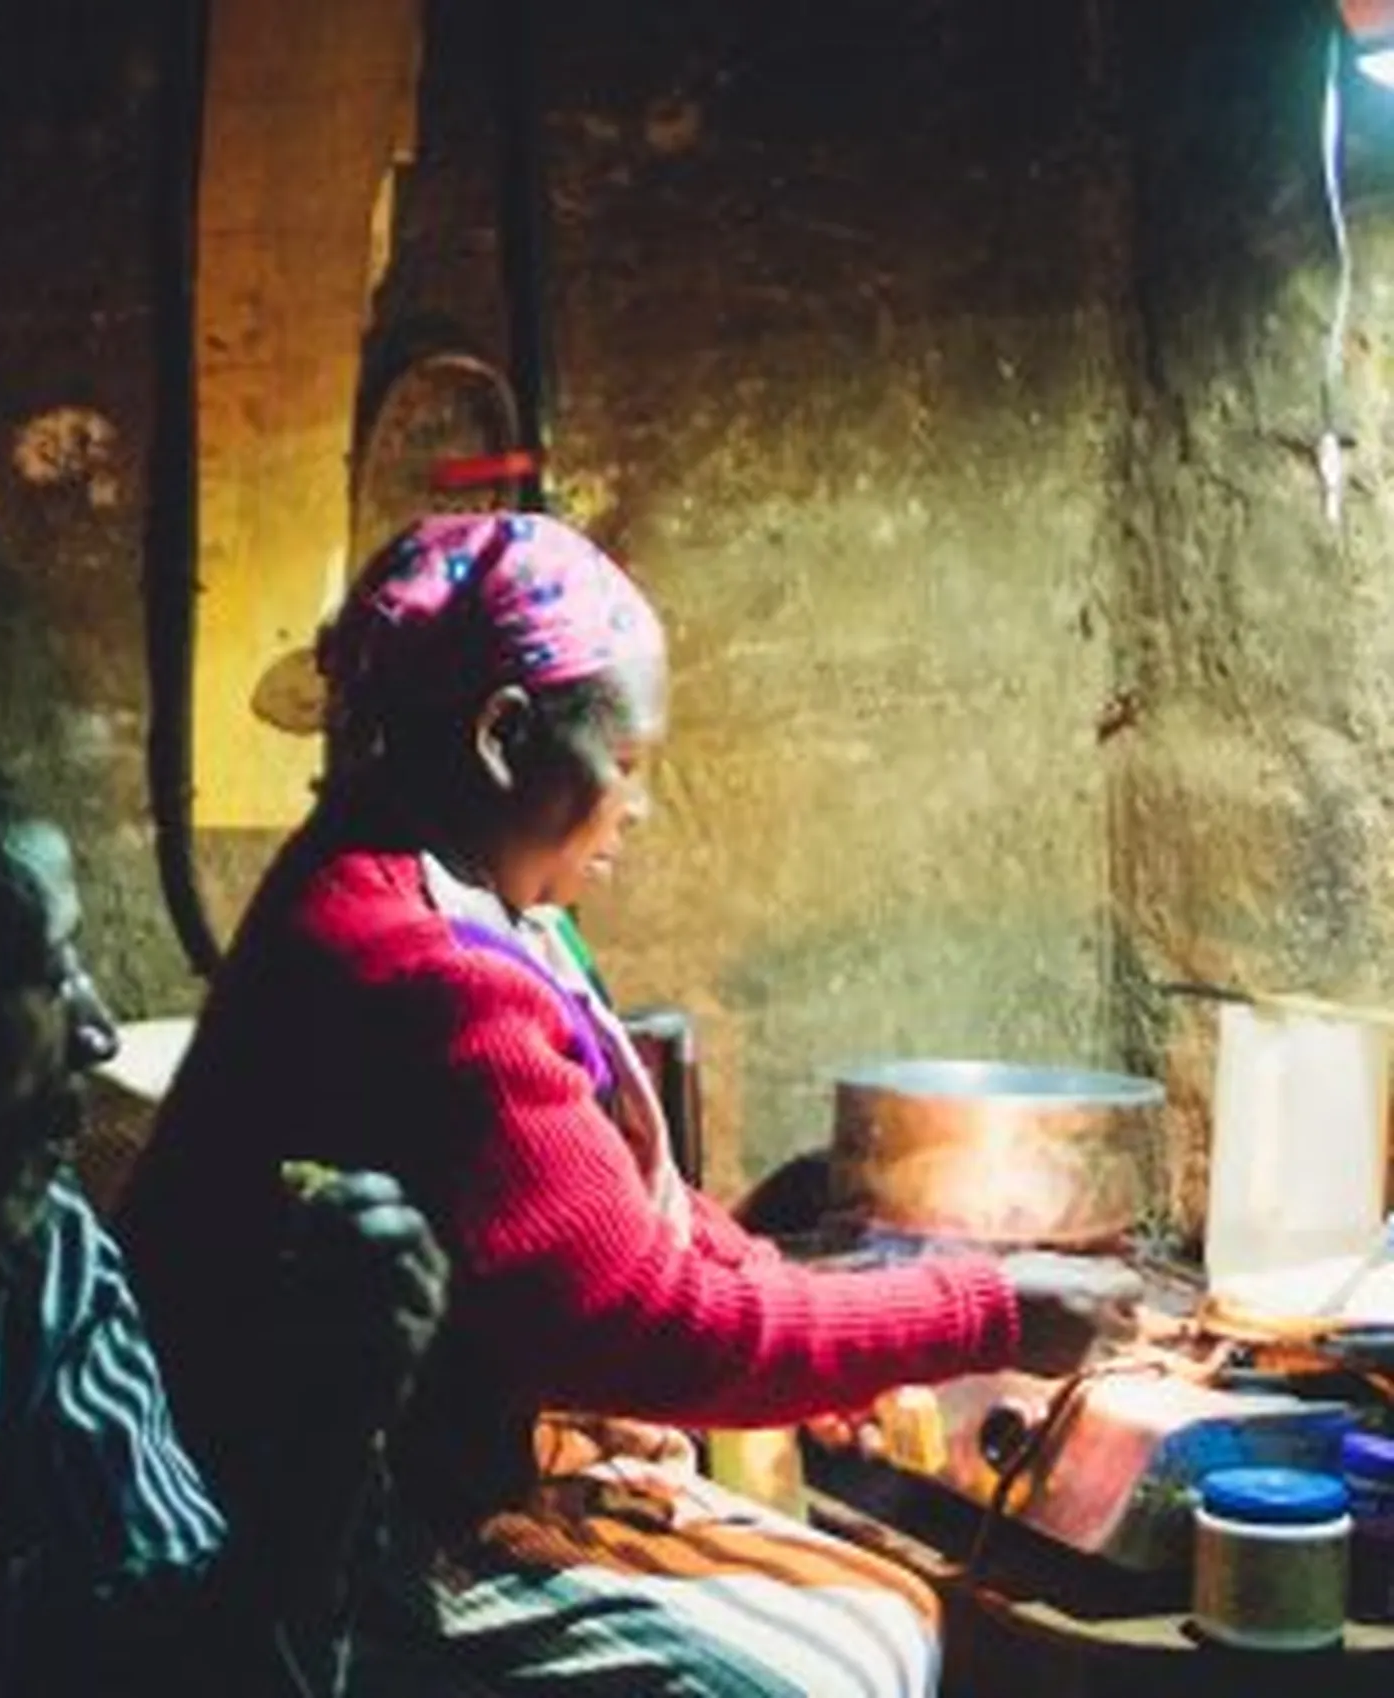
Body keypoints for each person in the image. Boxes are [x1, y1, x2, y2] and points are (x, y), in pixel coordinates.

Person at [118, 512, 1141, 1698]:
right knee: (815, 1667)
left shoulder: (428, 885)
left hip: (395, 1459)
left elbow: (613, 1210)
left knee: (885, 1612)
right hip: (316, 1529)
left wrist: (801, 1288)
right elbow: (642, 1317)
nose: (639, 808)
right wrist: (982, 1309)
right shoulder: (419, 969)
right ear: (502, 735)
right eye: (630, 763)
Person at [0, 738, 447, 1698]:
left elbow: (199, 1665)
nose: (96, 1032)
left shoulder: (43, 1266)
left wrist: (330, 1438)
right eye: (46, 972)